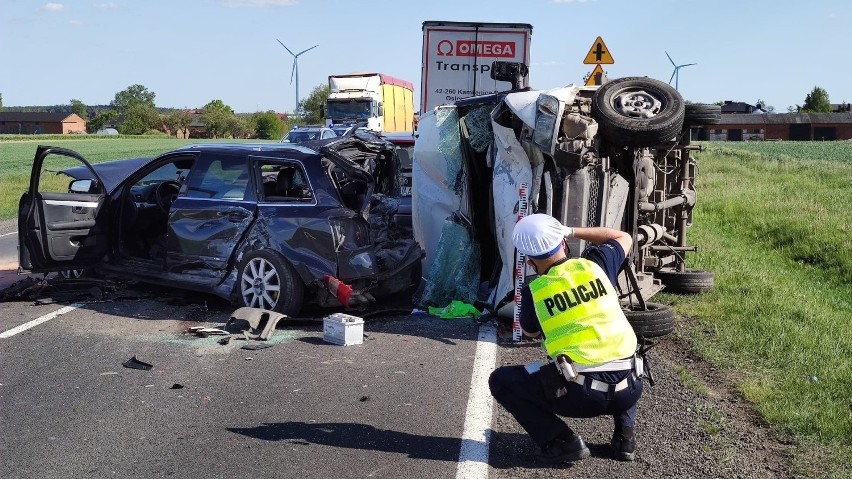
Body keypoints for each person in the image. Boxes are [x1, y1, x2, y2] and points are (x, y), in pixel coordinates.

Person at [489, 213, 643, 464]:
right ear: (562, 242)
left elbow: (530, 333)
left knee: (502, 381)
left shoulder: (534, 292)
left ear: (528, 262)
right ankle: (624, 438)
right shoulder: (597, 264)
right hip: (631, 388)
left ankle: (562, 441)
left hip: (580, 396)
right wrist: (571, 230)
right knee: (619, 350)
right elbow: (622, 236)